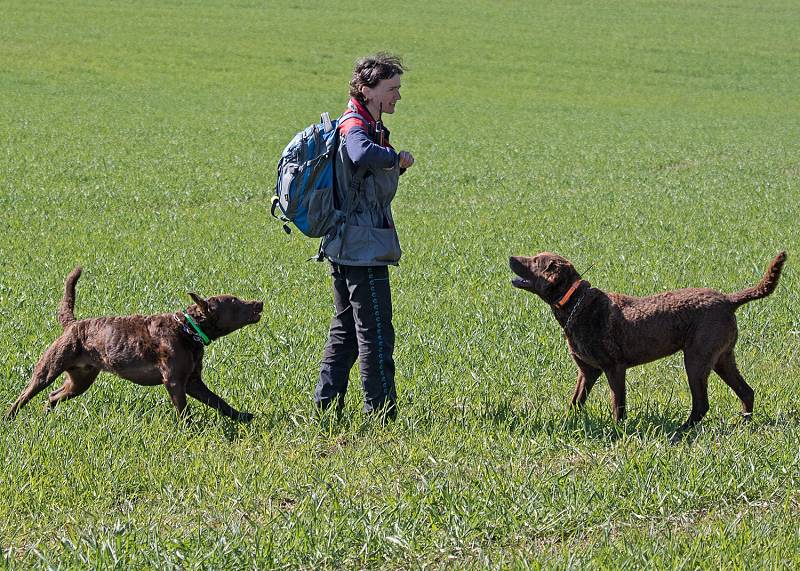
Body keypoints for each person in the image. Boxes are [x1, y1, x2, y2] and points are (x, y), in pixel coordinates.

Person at [314, 53, 415, 419]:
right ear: (367, 90)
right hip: (361, 247)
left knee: (346, 331)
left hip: (348, 243)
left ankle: (326, 408)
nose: (397, 96)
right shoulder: (355, 124)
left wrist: (390, 164)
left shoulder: (369, 122)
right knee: (375, 333)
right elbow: (359, 153)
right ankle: (381, 413)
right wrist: (394, 158)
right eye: (392, 89)